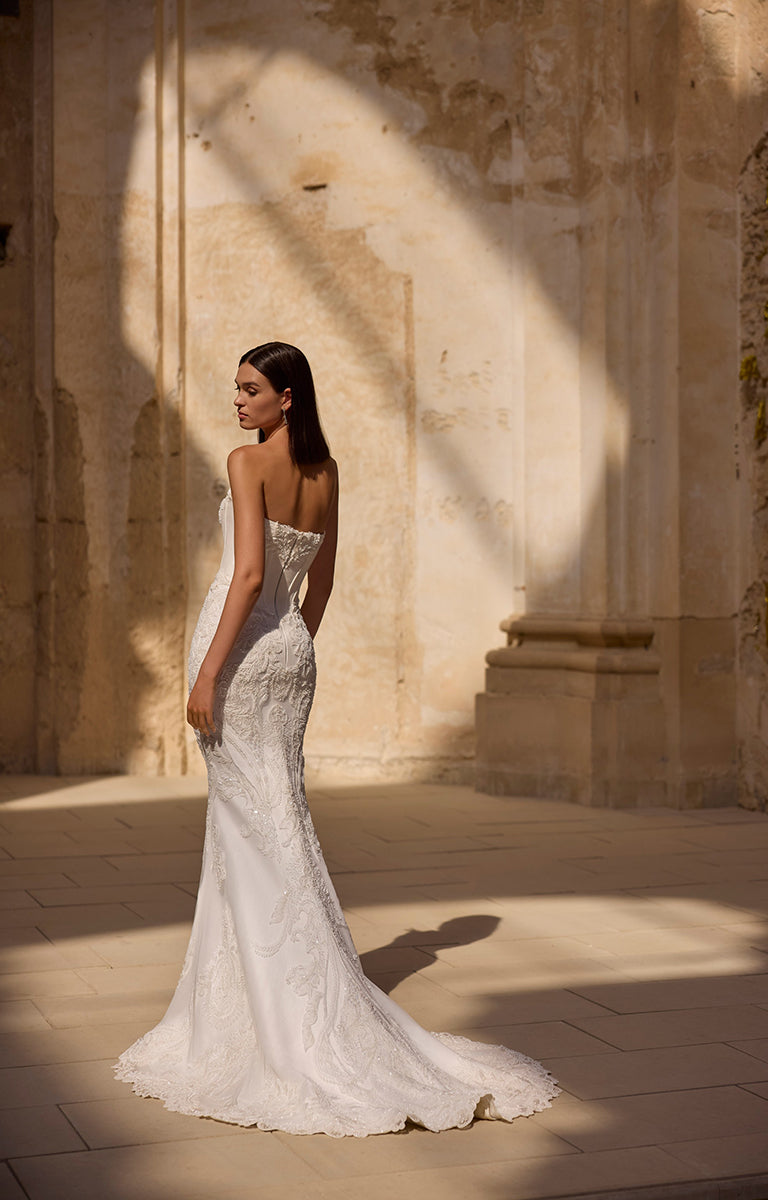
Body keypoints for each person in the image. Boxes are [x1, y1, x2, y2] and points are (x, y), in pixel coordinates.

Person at [114, 341, 560, 1136]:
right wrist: (293, 646)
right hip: (288, 654)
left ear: (287, 396)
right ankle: (265, 994)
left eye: (250, 389)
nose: (237, 400)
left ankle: (281, 1016)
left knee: (252, 830)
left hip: (239, 656)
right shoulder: (326, 473)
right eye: (236, 388)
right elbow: (317, 582)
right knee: (274, 822)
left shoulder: (247, 464)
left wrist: (210, 673)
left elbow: (249, 574)